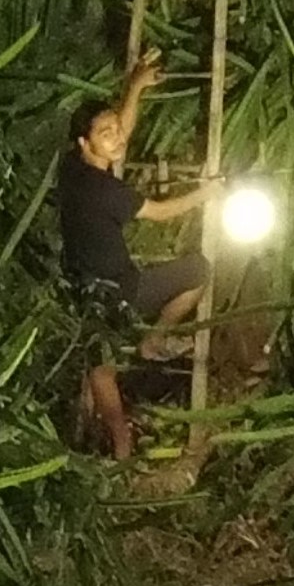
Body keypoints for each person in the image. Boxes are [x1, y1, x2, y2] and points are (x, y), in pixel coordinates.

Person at [52, 47, 209, 459]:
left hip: (83, 290)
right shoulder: (106, 190)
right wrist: (207, 193)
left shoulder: (73, 170)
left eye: (114, 130)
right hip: (124, 288)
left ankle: (121, 449)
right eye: (106, 134)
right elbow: (158, 214)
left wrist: (136, 86)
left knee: (100, 367)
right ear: (86, 143)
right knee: (199, 269)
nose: (117, 137)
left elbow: (122, 129)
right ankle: (153, 341)